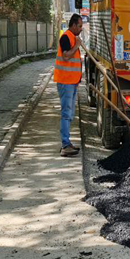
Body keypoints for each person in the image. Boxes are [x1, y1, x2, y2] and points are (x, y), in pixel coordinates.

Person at [55, 13, 83, 157]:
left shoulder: (73, 37)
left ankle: (67, 143)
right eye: (79, 26)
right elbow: (66, 56)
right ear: (72, 25)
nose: (81, 29)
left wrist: (77, 80)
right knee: (66, 114)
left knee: (70, 114)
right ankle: (65, 145)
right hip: (65, 82)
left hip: (71, 83)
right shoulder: (66, 37)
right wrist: (77, 46)